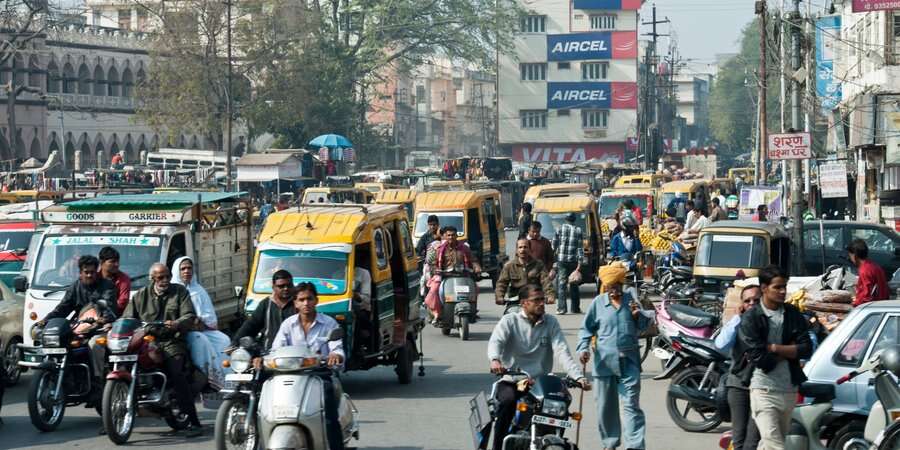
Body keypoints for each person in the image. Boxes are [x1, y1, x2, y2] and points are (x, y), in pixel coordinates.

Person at [487, 284, 589, 450]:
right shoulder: (510, 321)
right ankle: (498, 447)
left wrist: (578, 377)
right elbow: (496, 342)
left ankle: (555, 439)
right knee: (508, 402)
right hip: (514, 380)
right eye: (536, 300)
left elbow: (562, 351)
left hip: (541, 383)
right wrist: (495, 360)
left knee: (561, 405)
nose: (542, 303)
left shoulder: (550, 322)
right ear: (524, 303)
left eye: (542, 299)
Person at [736, 265, 812, 450]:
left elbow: (806, 348)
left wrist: (774, 347)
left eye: (784, 287)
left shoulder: (792, 314)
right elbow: (760, 359)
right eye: (777, 287)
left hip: (789, 390)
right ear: (764, 288)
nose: (782, 291)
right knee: (775, 445)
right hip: (763, 390)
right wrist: (789, 350)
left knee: (769, 444)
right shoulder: (751, 318)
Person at [123, 263, 203, 436]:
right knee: (120, 362)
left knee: (177, 374)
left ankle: (194, 422)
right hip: (146, 341)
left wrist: (177, 323)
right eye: (160, 277)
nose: (165, 280)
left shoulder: (180, 292)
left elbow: (189, 315)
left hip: (171, 341)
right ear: (152, 279)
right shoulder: (140, 296)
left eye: (167, 276)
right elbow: (128, 318)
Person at [577, 264, 650, 450]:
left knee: (631, 406)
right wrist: (583, 348)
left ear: (621, 283)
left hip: (629, 362)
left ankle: (635, 446)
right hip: (604, 364)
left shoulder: (631, 300)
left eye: (617, 285)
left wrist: (637, 315)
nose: (614, 289)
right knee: (605, 408)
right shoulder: (598, 303)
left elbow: (644, 326)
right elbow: (586, 330)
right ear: (605, 286)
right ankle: (610, 443)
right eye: (610, 286)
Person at [271, 283, 345, 450]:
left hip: (320, 375)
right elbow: (276, 350)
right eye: (301, 300)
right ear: (295, 303)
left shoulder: (329, 323)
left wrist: (335, 355)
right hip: (291, 376)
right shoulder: (288, 325)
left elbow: (337, 348)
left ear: (316, 301)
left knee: (328, 411)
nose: (306, 303)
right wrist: (263, 360)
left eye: (309, 299)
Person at [40, 255, 117, 380]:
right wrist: (46, 320)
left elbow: (109, 307)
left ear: (97, 271)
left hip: (102, 328)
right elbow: (62, 308)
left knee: (94, 345)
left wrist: (103, 320)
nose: (89, 275)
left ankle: (97, 380)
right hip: (80, 327)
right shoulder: (75, 287)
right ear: (80, 272)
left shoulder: (107, 286)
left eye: (92, 272)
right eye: (86, 272)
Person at [172, 256, 232, 390]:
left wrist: (202, 321)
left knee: (224, 340)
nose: (186, 271)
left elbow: (210, 315)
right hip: (185, 331)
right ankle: (215, 380)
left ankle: (230, 378)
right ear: (177, 271)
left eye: (189, 268)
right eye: (183, 269)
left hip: (202, 327)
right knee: (201, 340)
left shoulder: (198, 290)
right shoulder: (174, 290)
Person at [715, 283, 762, 450]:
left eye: (756, 300)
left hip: (762, 388)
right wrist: (736, 319)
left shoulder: (771, 321)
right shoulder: (737, 323)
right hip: (738, 386)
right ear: (742, 304)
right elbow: (721, 345)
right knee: (739, 438)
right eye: (748, 301)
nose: (752, 304)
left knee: (754, 440)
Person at [495, 239, 554, 305]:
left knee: (541, 314)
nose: (523, 250)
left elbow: (546, 281)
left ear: (530, 250)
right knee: (509, 315)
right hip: (515, 302)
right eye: (520, 247)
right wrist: (499, 297)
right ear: (516, 250)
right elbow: (501, 283)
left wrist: (550, 296)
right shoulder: (509, 266)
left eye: (525, 247)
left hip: (534, 301)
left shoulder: (538, 265)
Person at [552, 213, 585, 315]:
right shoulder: (578, 230)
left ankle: (562, 309)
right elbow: (580, 249)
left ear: (565, 219)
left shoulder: (559, 228)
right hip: (573, 262)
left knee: (561, 285)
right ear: (574, 220)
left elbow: (554, 243)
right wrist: (579, 265)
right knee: (574, 285)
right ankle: (575, 308)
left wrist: (554, 256)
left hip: (561, 261)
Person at [847, 239, 890, 306]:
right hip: (882, 304)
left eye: (850, 255)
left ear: (854, 255)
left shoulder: (865, 270)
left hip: (872, 307)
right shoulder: (875, 266)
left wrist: (854, 303)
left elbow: (866, 296)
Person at [98, 247, 132, 315]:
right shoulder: (93, 277)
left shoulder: (124, 279)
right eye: (112, 261)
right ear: (102, 262)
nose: (117, 264)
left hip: (115, 317)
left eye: (117, 261)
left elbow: (122, 302)